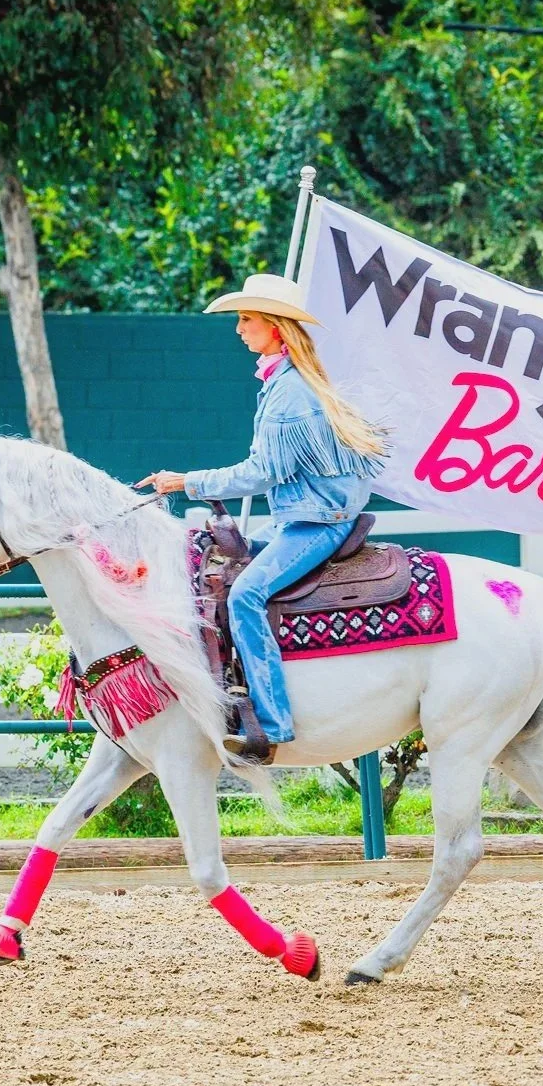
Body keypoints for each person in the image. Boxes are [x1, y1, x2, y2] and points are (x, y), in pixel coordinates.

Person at [138, 273, 387, 753]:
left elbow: (261, 473)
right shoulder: (286, 382)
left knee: (246, 596)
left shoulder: (289, 394)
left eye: (246, 319)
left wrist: (187, 482)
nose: (239, 330)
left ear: (274, 326)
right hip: (303, 516)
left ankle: (270, 726)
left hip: (315, 523)